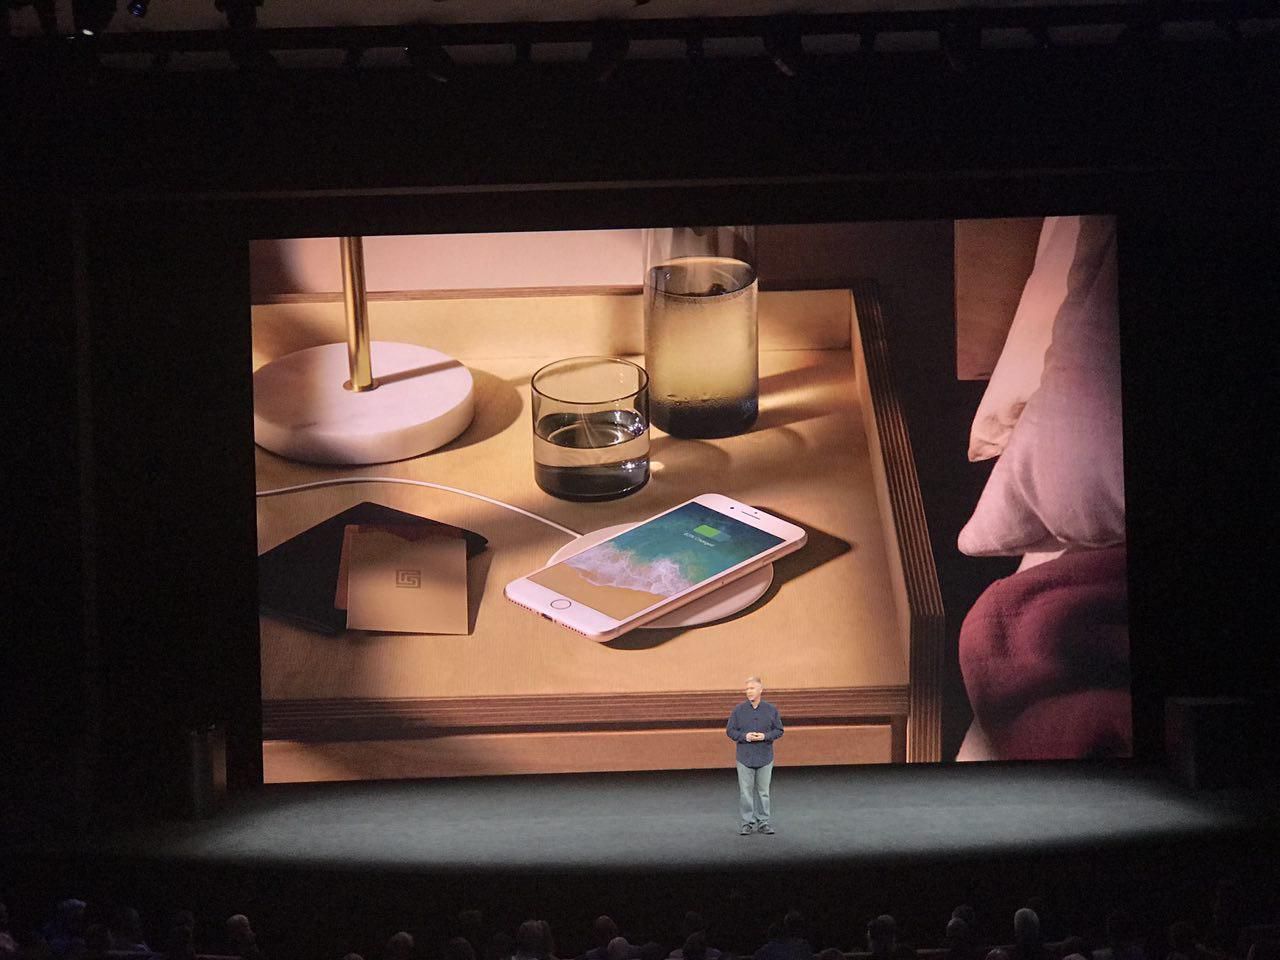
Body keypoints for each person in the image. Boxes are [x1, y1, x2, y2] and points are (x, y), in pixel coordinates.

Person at [726, 676, 783, 835]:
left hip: (765, 757)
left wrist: (765, 736)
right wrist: (745, 736)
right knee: (746, 793)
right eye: (747, 689)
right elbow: (730, 731)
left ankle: (763, 822)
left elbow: (779, 730)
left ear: (760, 690)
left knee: (763, 792)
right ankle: (747, 823)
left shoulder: (771, 710)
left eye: (752, 688)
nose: (749, 691)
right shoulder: (738, 710)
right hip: (745, 757)